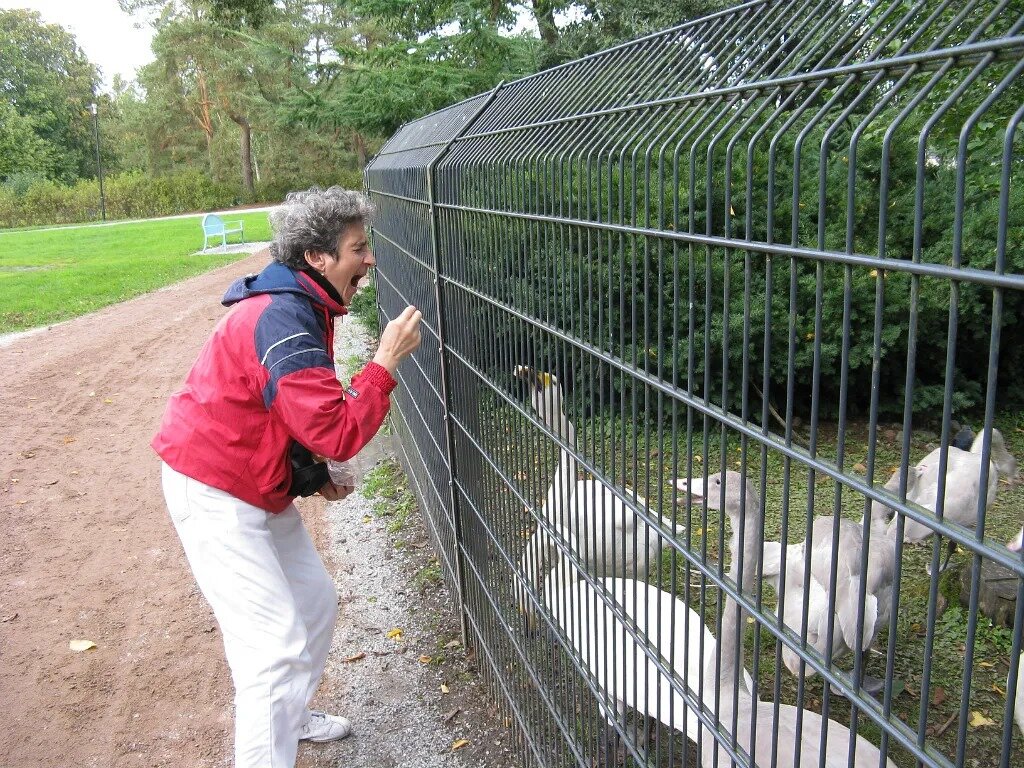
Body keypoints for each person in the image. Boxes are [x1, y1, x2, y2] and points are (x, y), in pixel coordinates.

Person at [152, 186, 421, 768]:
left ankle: (292, 717)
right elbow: (334, 429)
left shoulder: (304, 303)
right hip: (215, 487)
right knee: (271, 651)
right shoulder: (285, 318)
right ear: (318, 258)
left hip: (252, 478)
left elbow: (288, 413)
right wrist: (383, 363)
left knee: (315, 602)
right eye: (358, 248)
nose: (369, 259)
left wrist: (313, 472)